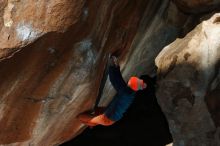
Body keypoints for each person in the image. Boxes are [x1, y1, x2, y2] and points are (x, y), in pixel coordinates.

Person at [77, 56, 147, 126]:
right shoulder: (130, 92)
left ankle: (91, 123)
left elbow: (115, 80)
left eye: (129, 81)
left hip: (106, 119)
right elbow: (120, 82)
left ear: (130, 85)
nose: (128, 81)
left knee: (80, 117)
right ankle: (92, 123)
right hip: (110, 114)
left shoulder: (126, 93)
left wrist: (113, 66)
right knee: (95, 111)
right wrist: (116, 67)